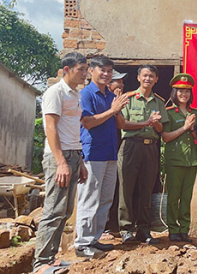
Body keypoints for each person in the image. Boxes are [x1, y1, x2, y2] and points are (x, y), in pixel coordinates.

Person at [33, 52, 89, 273]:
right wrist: (61, 163)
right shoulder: (55, 93)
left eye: (86, 69)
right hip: (60, 156)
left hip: (73, 154)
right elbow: (50, 128)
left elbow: (73, 130)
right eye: (81, 69)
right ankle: (41, 264)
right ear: (67, 70)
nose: (85, 73)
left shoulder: (75, 94)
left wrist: (80, 161)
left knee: (65, 211)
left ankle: (52, 258)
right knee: (54, 210)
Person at [75, 56, 128, 258]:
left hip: (110, 152)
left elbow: (119, 124)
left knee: (105, 198)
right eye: (102, 70)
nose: (106, 74)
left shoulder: (109, 95)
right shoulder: (86, 94)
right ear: (91, 71)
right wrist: (112, 110)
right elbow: (87, 122)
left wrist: (117, 110)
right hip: (93, 153)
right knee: (89, 198)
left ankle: (94, 239)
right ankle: (82, 244)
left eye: (109, 71)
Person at [117, 64, 169, 245]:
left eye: (151, 76)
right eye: (145, 75)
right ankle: (125, 229)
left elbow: (162, 128)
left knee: (147, 190)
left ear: (156, 80)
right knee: (127, 189)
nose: (148, 79)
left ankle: (144, 230)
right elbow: (123, 124)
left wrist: (156, 125)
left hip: (150, 148)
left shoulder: (159, 103)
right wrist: (147, 122)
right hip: (131, 146)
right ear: (139, 77)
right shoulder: (128, 99)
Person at [162, 73, 197, 243]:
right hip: (174, 160)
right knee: (173, 197)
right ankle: (173, 229)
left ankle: (184, 229)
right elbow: (165, 137)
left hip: (190, 160)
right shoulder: (169, 112)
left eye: (187, 92)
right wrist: (184, 127)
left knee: (186, 198)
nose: (184, 94)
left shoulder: (195, 112)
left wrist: (191, 128)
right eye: (180, 91)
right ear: (174, 93)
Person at [104, 69, 128, 234]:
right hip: (101, 151)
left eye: (121, 83)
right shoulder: (103, 100)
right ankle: (101, 227)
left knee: (117, 188)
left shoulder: (124, 102)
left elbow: (123, 124)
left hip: (118, 150)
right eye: (117, 82)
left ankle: (114, 224)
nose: (121, 85)